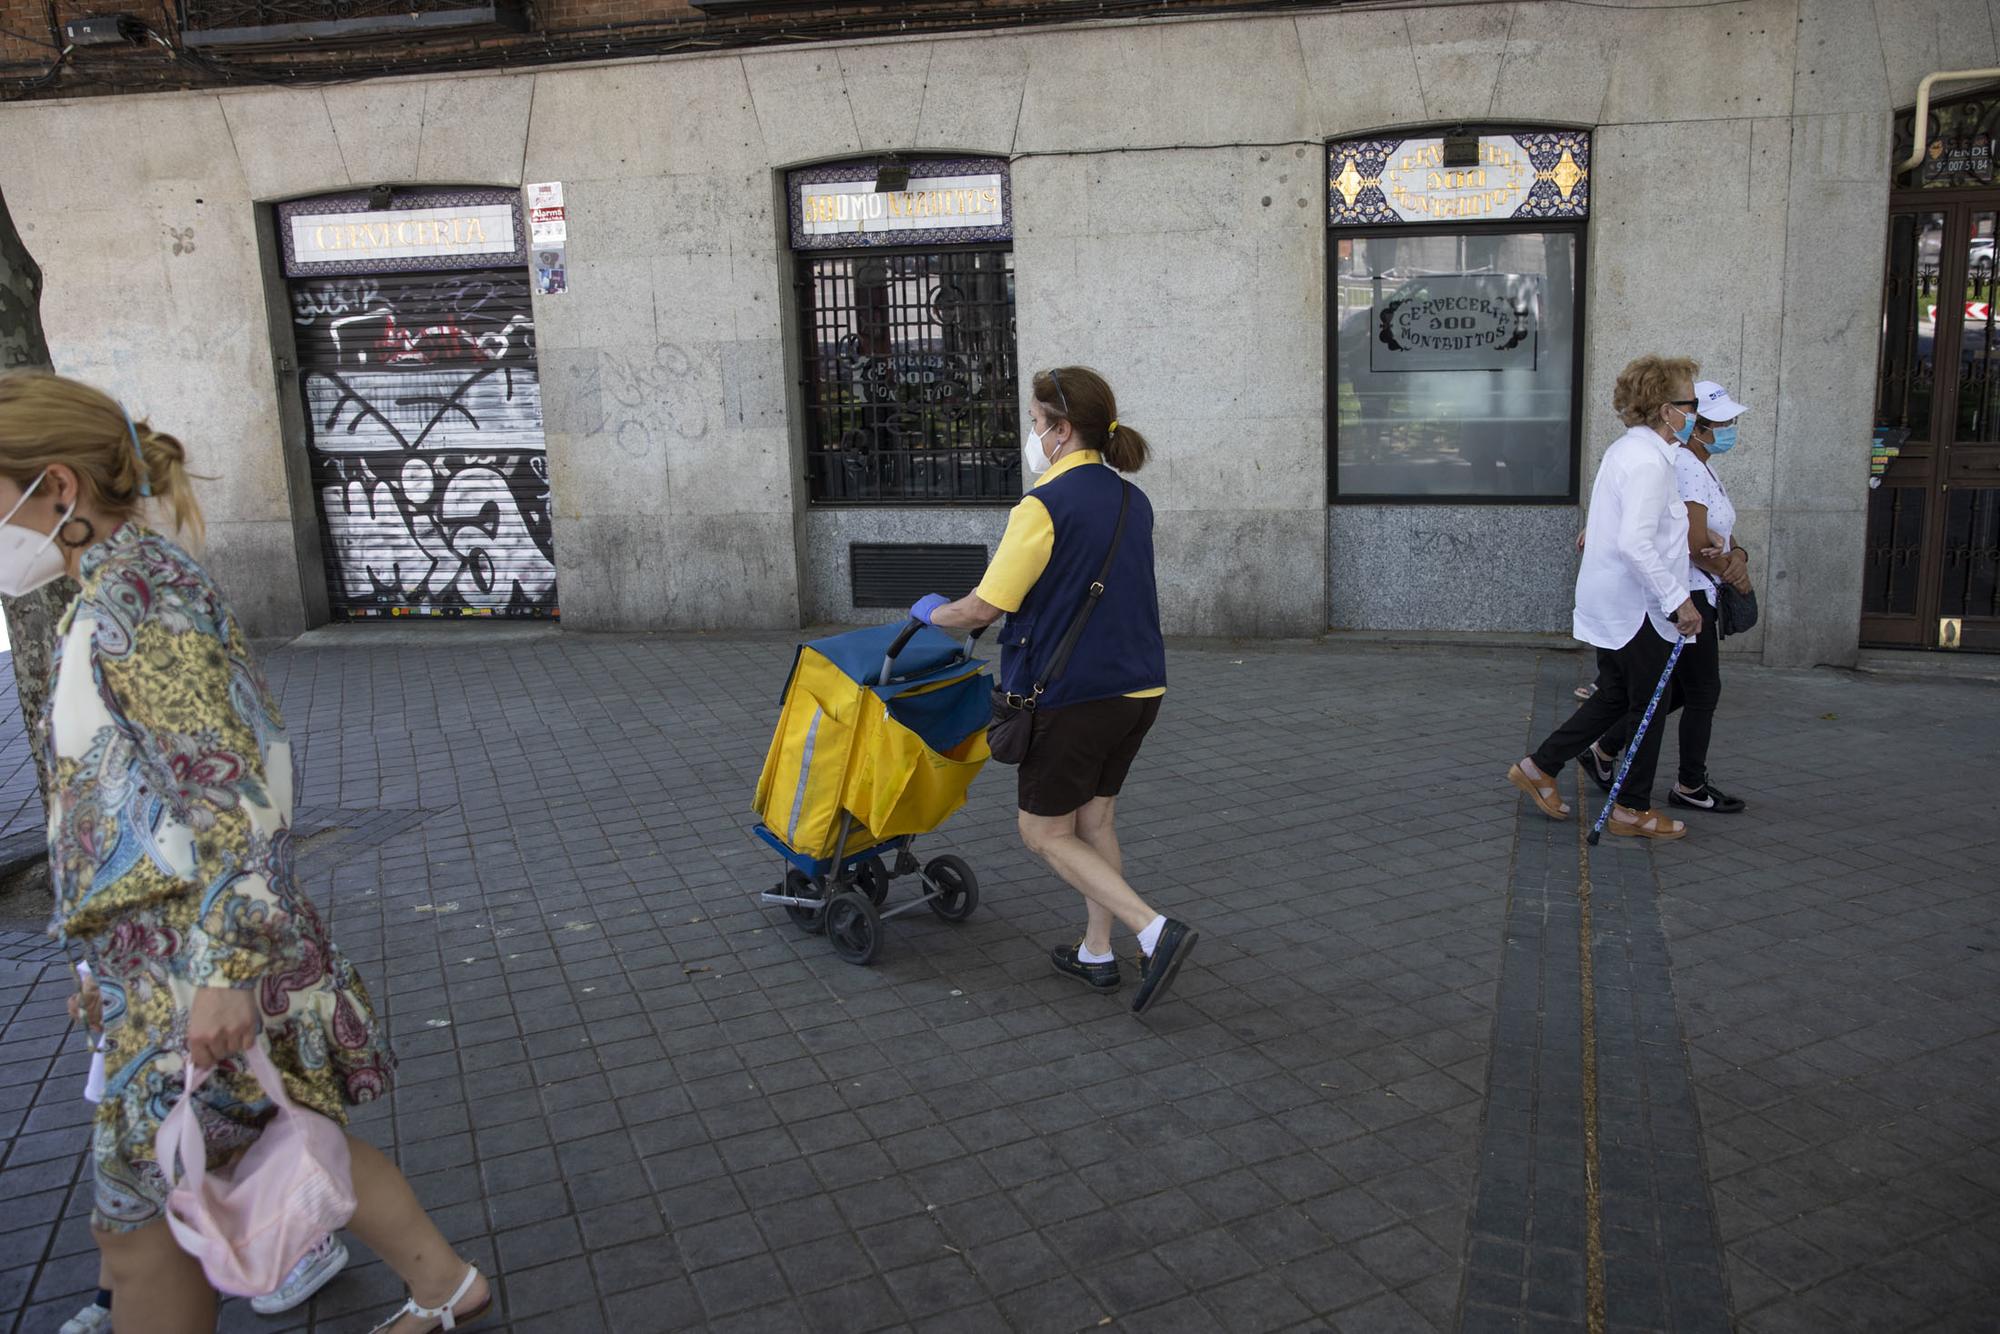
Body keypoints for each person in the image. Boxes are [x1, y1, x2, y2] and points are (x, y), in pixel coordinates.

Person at [0, 372, 491, 1334]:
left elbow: (232, 790)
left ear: (54, 487)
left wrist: (221, 970)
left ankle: (444, 1286)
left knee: (139, 1234)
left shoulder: (140, 597)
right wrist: (108, 962)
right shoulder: (110, 587)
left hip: (197, 970)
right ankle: (444, 1285)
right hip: (168, 969)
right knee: (248, 1159)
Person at [909, 367, 1196, 1014]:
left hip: (1071, 695)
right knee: (1094, 819)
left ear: (1063, 431)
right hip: (1139, 688)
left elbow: (985, 608)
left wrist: (931, 612)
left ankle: (1153, 930)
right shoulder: (1132, 499)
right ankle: (1098, 951)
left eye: (1037, 423)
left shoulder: (1043, 505)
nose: (1033, 436)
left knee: (1042, 831)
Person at [1507, 355, 1706, 840]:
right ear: (1665, 409)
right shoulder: (1647, 462)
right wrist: (1680, 600)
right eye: (1691, 403)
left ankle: (1540, 767)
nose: (1696, 412)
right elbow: (1636, 542)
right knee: (1649, 706)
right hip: (1636, 607)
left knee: (1618, 694)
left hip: (1618, 601)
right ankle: (1631, 809)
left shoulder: (1630, 451)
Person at [1582, 379, 1752, 813]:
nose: (1728, 426)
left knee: (1669, 691)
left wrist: (1738, 553)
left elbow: (1710, 531)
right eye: (1719, 420)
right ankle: (1675, 786)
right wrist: (1729, 573)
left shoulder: (1690, 461)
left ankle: (1602, 756)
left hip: (1687, 591)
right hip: (1685, 591)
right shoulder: (1675, 463)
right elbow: (1679, 542)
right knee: (1693, 691)